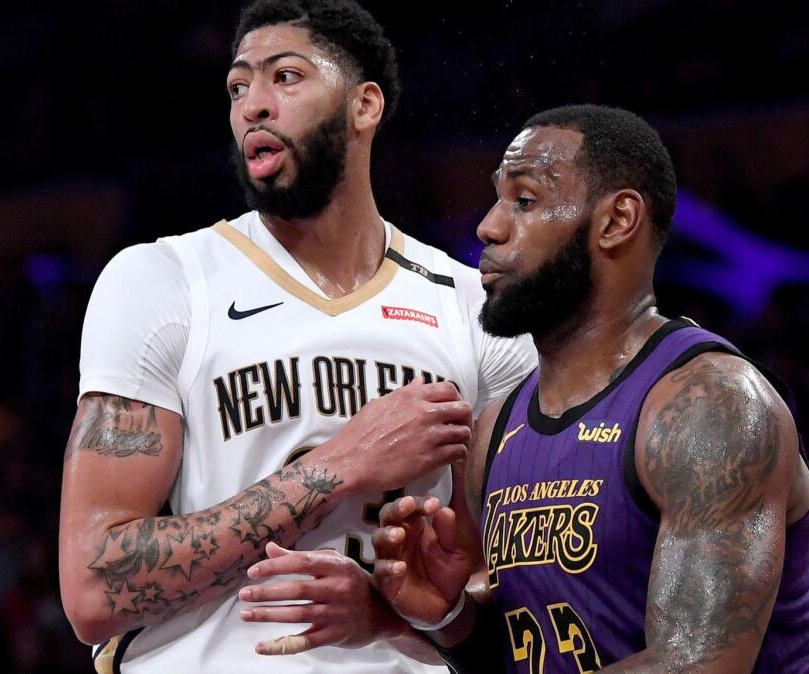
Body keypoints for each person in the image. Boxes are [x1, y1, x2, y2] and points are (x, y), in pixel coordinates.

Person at [56, 1, 536, 672]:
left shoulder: (471, 308)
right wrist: (338, 467)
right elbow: (92, 588)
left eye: (285, 77)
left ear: (363, 106)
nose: (252, 104)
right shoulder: (163, 282)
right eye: (238, 86)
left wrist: (388, 613)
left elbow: (522, 582)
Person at [362, 105, 809, 672]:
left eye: (525, 201)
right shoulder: (496, 429)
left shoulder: (712, 408)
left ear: (616, 221)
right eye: (497, 198)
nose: (488, 226)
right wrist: (449, 619)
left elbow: (698, 666)